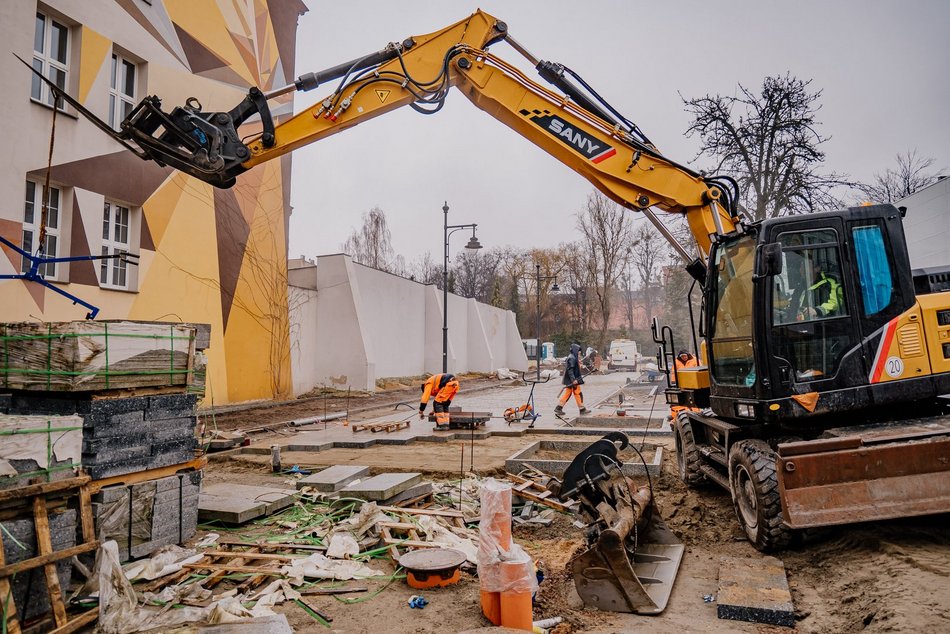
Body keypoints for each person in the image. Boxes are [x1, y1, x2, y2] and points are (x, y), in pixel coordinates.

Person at [555, 343, 589, 417]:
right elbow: (570, 370)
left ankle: (581, 408)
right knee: (575, 393)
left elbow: (572, 367)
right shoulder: (572, 358)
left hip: (571, 379)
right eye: (578, 350)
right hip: (572, 380)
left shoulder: (573, 357)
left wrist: (578, 363)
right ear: (575, 350)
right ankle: (559, 408)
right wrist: (573, 380)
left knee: (575, 393)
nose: (579, 352)